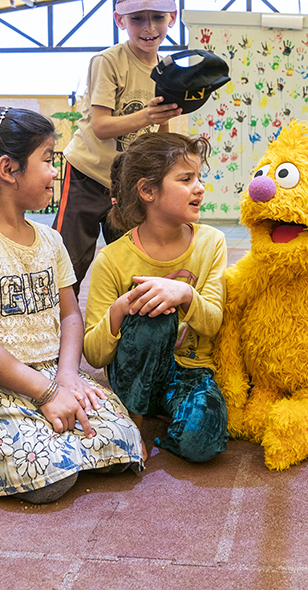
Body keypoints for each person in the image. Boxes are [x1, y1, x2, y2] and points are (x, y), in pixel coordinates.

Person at [0, 107, 143, 503]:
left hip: (50, 375)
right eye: (47, 158)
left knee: (122, 438)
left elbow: (70, 315)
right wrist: (45, 394)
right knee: (47, 475)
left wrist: (68, 377)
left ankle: (55, 436)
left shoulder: (50, 240)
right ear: (8, 169)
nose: (55, 170)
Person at [83, 133, 229, 464]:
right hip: (133, 374)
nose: (200, 187)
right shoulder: (112, 259)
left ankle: (166, 416)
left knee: (202, 444)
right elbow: (93, 353)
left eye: (199, 177)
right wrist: (122, 308)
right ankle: (132, 422)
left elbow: (213, 324)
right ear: (148, 191)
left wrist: (185, 294)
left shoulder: (211, 243)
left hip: (190, 372)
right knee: (154, 311)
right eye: (186, 179)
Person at [54, 0, 183, 292]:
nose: (149, 27)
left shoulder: (167, 69)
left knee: (134, 261)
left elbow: (159, 131)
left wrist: (167, 164)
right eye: (137, 18)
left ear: (173, 17)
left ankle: (131, 332)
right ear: (119, 20)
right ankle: (55, 329)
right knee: (69, 260)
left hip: (129, 181)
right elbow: (101, 127)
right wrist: (148, 115)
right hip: (88, 173)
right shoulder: (108, 61)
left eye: (157, 17)